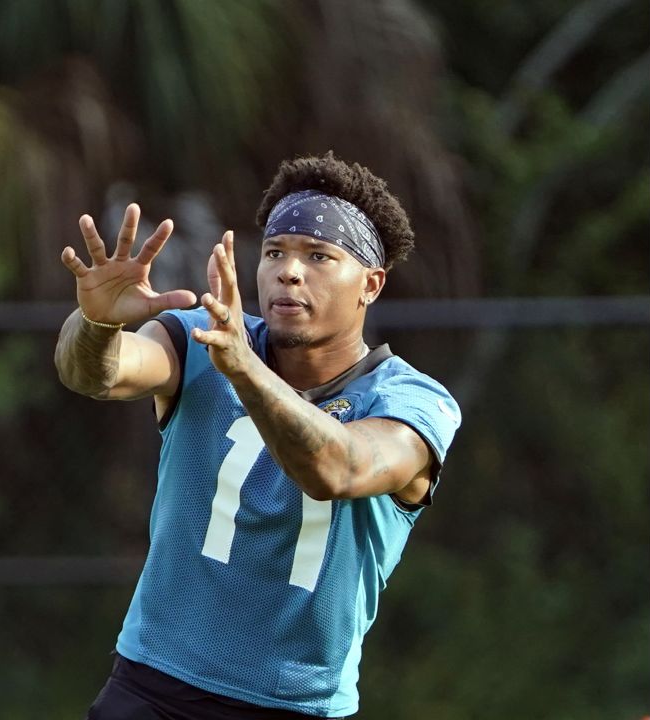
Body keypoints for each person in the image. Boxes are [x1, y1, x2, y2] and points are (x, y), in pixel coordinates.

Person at [54, 151, 462, 719]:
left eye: (319, 256)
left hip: (297, 706)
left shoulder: (413, 400)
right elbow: (94, 373)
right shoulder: (202, 337)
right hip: (154, 687)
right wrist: (96, 324)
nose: (289, 271)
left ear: (371, 283)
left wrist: (245, 369)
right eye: (276, 252)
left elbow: (337, 469)